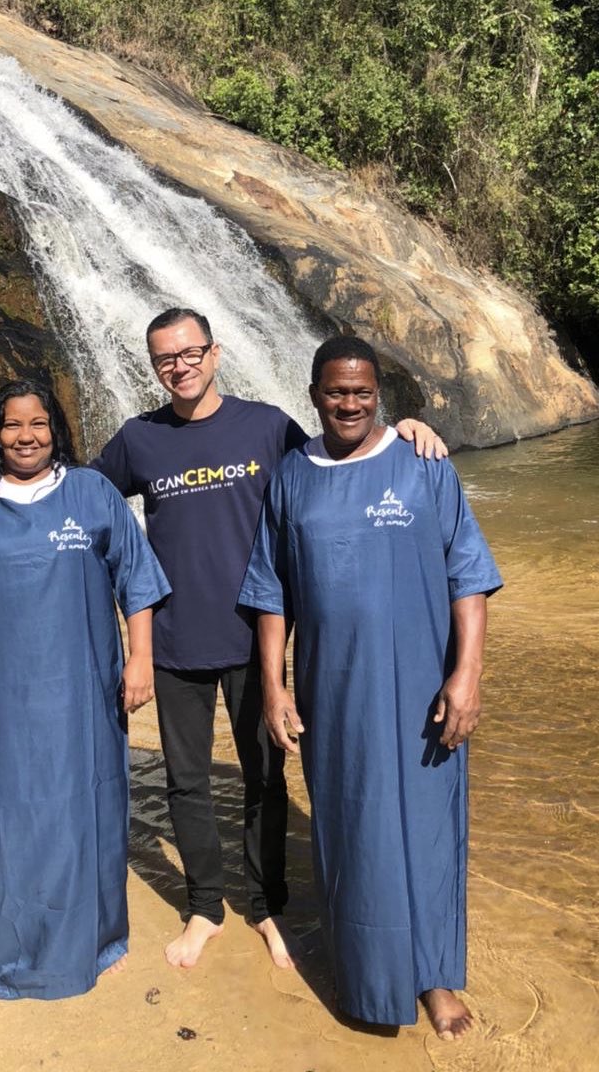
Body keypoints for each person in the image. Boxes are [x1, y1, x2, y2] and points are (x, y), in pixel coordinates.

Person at [0, 310, 446, 971]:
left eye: (190, 353)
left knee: (265, 780)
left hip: (256, 639)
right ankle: (206, 907)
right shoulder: (139, 438)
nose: (179, 366)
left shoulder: (268, 427)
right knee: (187, 784)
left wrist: (405, 429)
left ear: (214, 353)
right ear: (155, 367)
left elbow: (338, 460)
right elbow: (69, 490)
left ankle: (266, 907)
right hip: (175, 642)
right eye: (165, 359)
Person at [239, 336, 502, 1039]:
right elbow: (271, 593)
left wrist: (467, 675)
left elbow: (469, 576)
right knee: (354, 828)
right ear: (314, 395)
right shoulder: (292, 477)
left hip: (424, 690)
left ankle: (435, 977)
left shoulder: (423, 462)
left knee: (428, 828)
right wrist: (275, 688)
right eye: (335, 391)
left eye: (361, 391)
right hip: (334, 692)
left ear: (378, 392)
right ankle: (369, 975)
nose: (349, 403)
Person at [0, 380, 170, 1000]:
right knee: (0, 807)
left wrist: (141, 659)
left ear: (56, 428)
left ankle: (95, 937)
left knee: (83, 806)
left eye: (38, 423)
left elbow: (136, 582)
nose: (26, 436)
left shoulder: (92, 493)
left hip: (83, 698)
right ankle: (7, 937)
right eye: (12, 425)